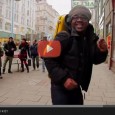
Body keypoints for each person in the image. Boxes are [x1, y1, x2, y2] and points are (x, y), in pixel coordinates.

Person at [44, 5, 108, 105]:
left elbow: (95, 60)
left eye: (83, 17)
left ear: (88, 21)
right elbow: (47, 56)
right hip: (60, 87)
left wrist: (102, 51)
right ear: (70, 20)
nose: (79, 20)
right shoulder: (64, 36)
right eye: (76, 17)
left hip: (76, 87)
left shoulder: (89, 38)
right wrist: (64, 79)